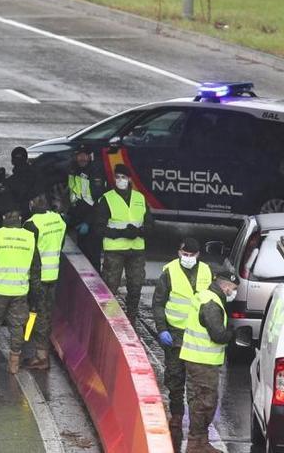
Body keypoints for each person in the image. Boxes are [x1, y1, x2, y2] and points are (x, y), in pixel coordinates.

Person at [152, 237, 212, 450]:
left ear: (198, 255)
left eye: (191, 255)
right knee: (175, 378)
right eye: (184, 255)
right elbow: (158, 303)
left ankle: (198, 428)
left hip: (198, 337)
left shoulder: (206, 271)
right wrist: (162, 329)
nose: (187, 258)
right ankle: (177, 415)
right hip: (175, 336)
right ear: (179, 252)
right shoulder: (169, 272)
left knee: (198, 384)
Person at [0, 198, 41, 375]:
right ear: (20, 219)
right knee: (17, 326)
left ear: (4, 217)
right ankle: (14, 364)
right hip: (19, 291)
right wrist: (35, 295)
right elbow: (35, 270)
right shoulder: (30, 238)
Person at [180, 269, 238, 452]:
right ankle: (196, 444)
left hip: (200, 360)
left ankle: (201, 442)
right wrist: (233, 333)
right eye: (233, 288)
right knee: (203, 402)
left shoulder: (207, 296)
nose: (233, 293)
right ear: (226, 285)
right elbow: (218, 335)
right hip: (201, 362)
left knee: (204, 401)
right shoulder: (212, 303)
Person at [95, 163, 153, 323]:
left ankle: (132, 316)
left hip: (136, 250)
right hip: (115, 250)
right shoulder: (107, 199)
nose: (120, 180)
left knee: (135, 285)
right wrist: (120, 233)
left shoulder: (140, 198)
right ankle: (108, 319)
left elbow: (150, 223)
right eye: (117, 177)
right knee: (110, 286)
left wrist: (139, 231)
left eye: (123, 177)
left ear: (129, 179)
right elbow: (99, 227)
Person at [21, 192, 66, 370]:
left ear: (32, 204)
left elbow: (27, 253)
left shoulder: (31, 225)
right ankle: (41, 353)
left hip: (37, 277)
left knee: (36, 314)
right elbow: (60, 245)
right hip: (53, 274)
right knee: (46, 314)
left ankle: (39, 356)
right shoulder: (58, 220)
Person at [64, 145, 105, 269]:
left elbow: (97, 201)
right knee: (82, 258)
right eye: (79, 155)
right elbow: (74, 195)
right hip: (79, 220)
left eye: (85, 155)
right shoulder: (73, 170)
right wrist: (69, 214)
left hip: (92, 223)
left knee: (93, 257)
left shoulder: (95, 172)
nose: (82, 158)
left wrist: (87, 222)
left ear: (89, 156)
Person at [5, 147, 38, 220]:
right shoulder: (37, 176)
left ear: (12, 161)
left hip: (19, 219)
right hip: (36, 217)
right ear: (26, 159)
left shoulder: (10, 182)